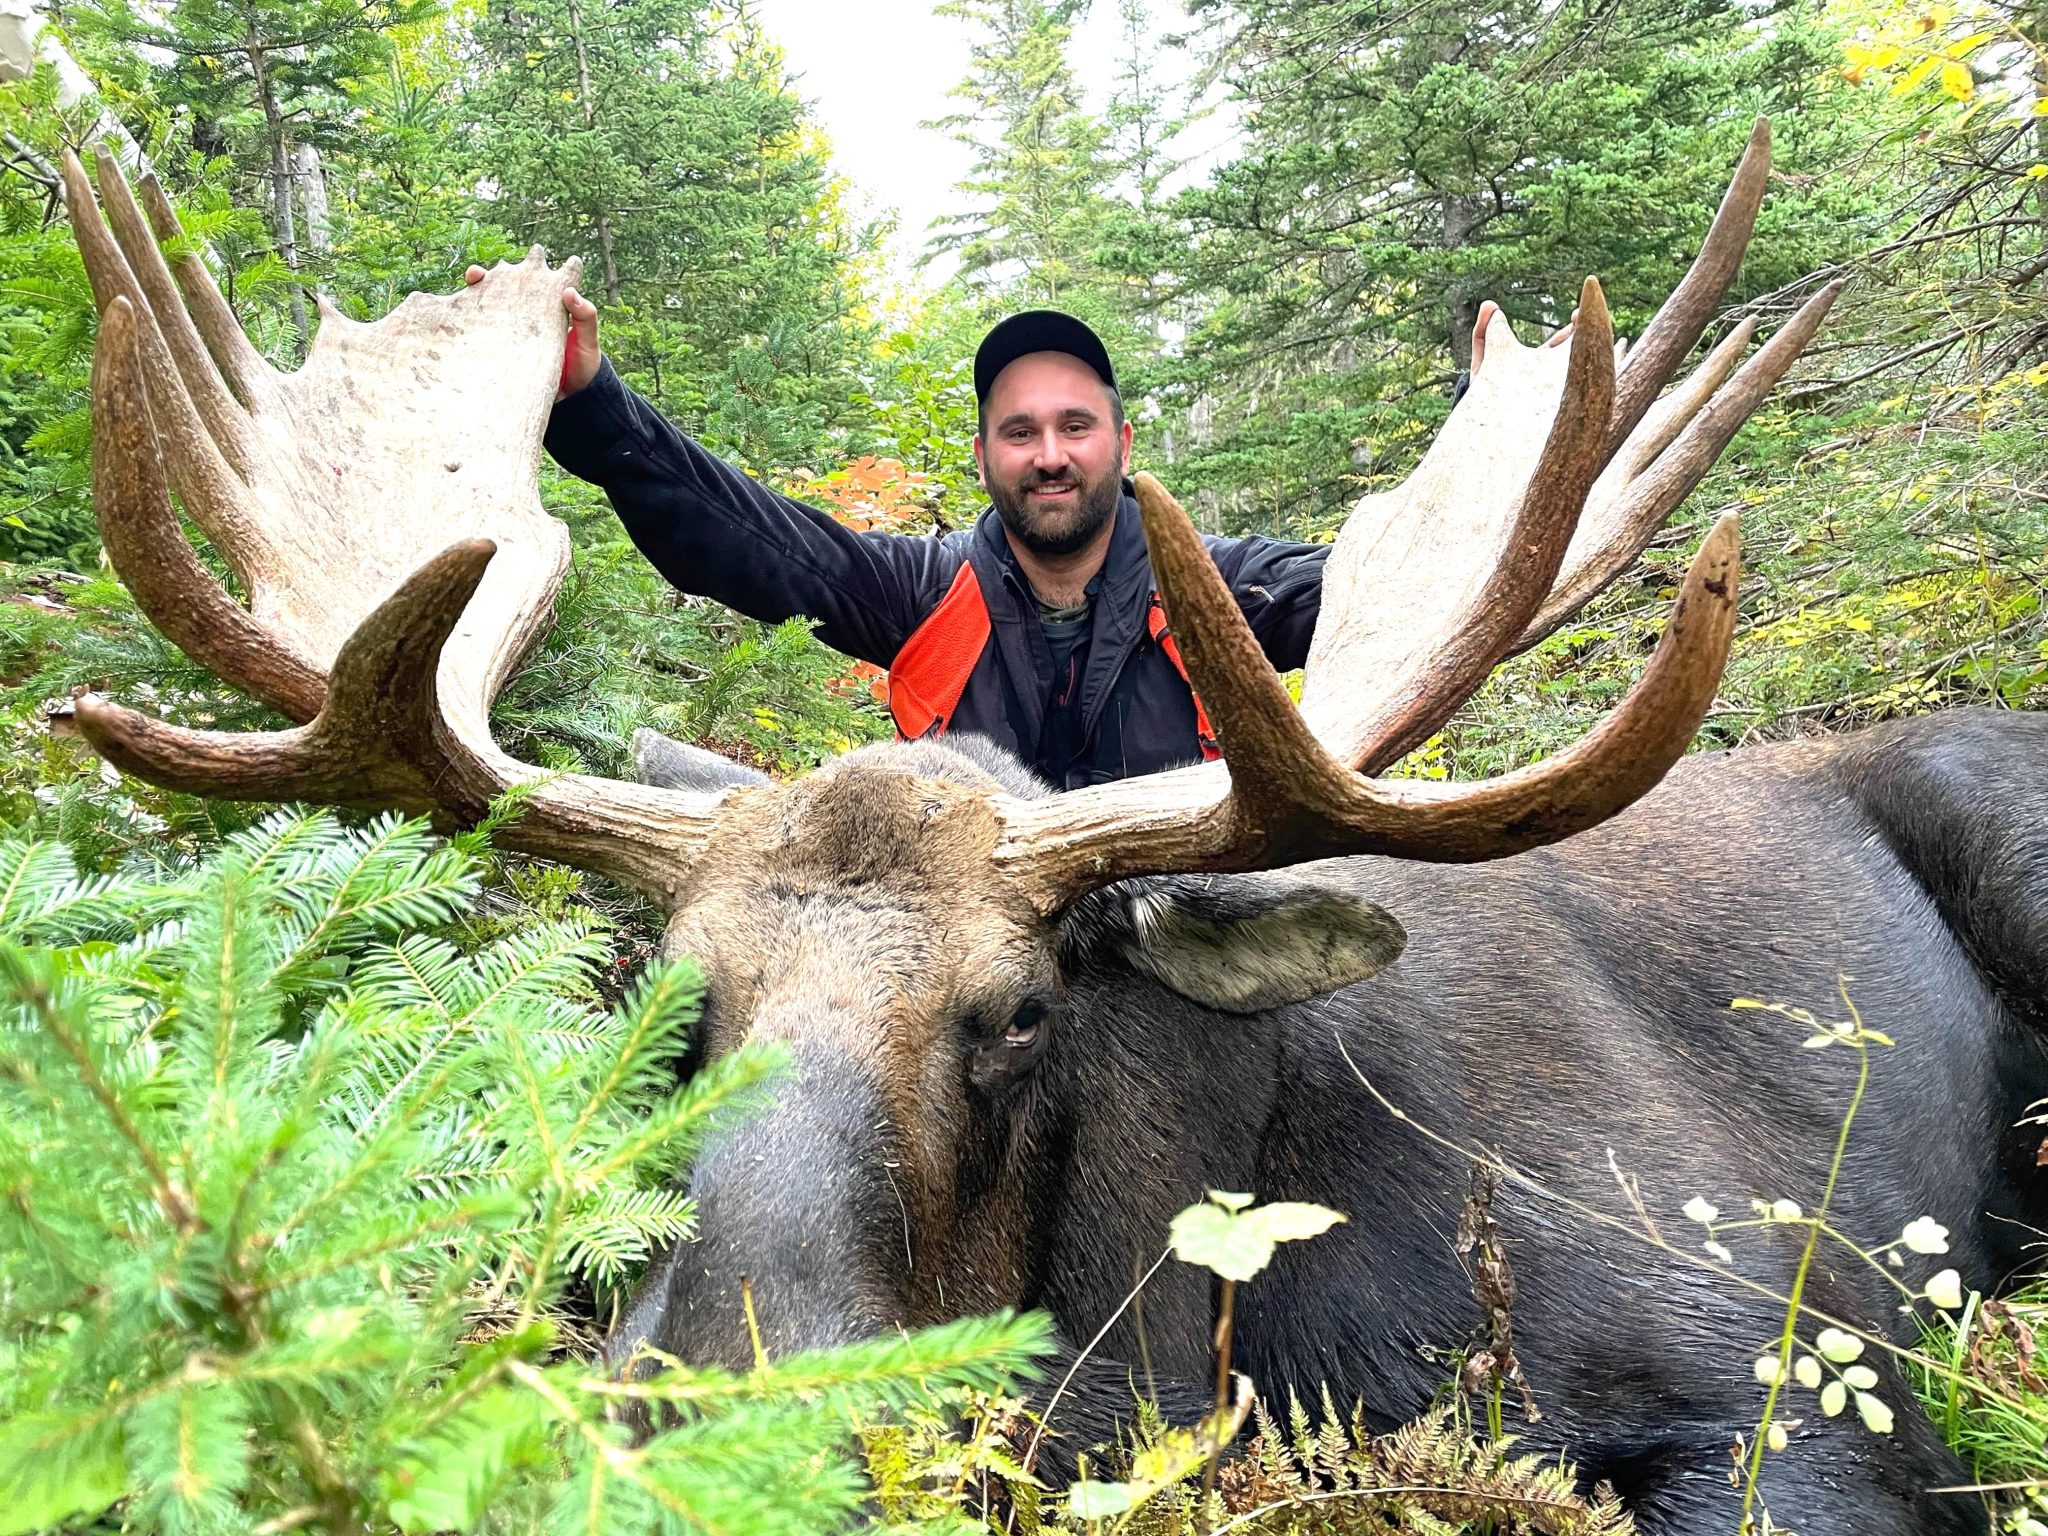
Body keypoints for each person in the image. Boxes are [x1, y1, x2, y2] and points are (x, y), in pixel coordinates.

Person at [490, 266, 1329, 789]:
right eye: (1018, 432)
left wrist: (1471, 441)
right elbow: (743, 539)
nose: (1048, 455)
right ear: (981, 456)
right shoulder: (924, 593)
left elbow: (1378, 582)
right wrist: (592, 404)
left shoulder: (1219, 590)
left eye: (1076, 427)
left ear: (1122, 443)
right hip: (976, 985)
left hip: (1183, 966)